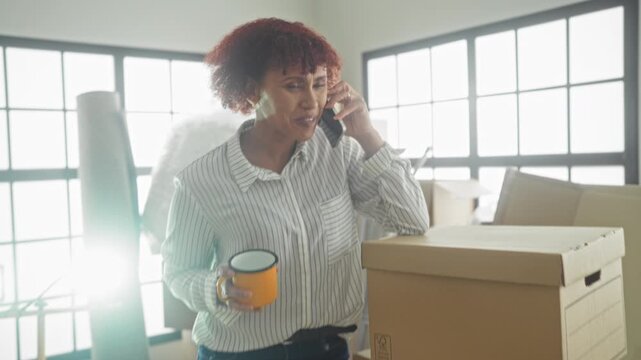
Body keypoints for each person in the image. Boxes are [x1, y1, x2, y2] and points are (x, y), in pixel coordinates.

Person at [161, 18, 429, 360]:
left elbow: (413, 220)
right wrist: (217, 288)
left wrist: (367, 134)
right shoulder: (201, 182)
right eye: (293, 86)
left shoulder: (340, 151)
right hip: (240, 354)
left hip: (328, 350)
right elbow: (178, 272)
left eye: (319, 84)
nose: (312, 102)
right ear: (250, 91)